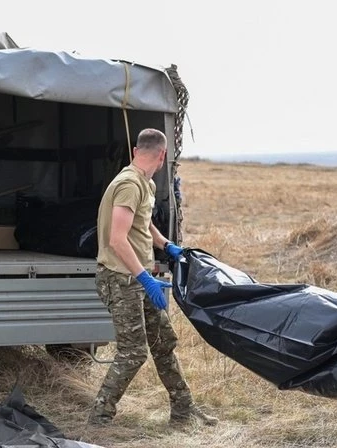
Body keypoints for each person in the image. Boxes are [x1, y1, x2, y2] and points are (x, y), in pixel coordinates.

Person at [89, 128, 218, 427]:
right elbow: (117, 239)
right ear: (163, 156)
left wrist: (165, 244)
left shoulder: (144, 182)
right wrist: (145, 279)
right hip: (121, 279)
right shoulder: (128, 185)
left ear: (136, 151)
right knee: (133, 352)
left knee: (163, 343)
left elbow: (142, 222)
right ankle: (99, 418)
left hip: (137, 276)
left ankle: (183, 410)